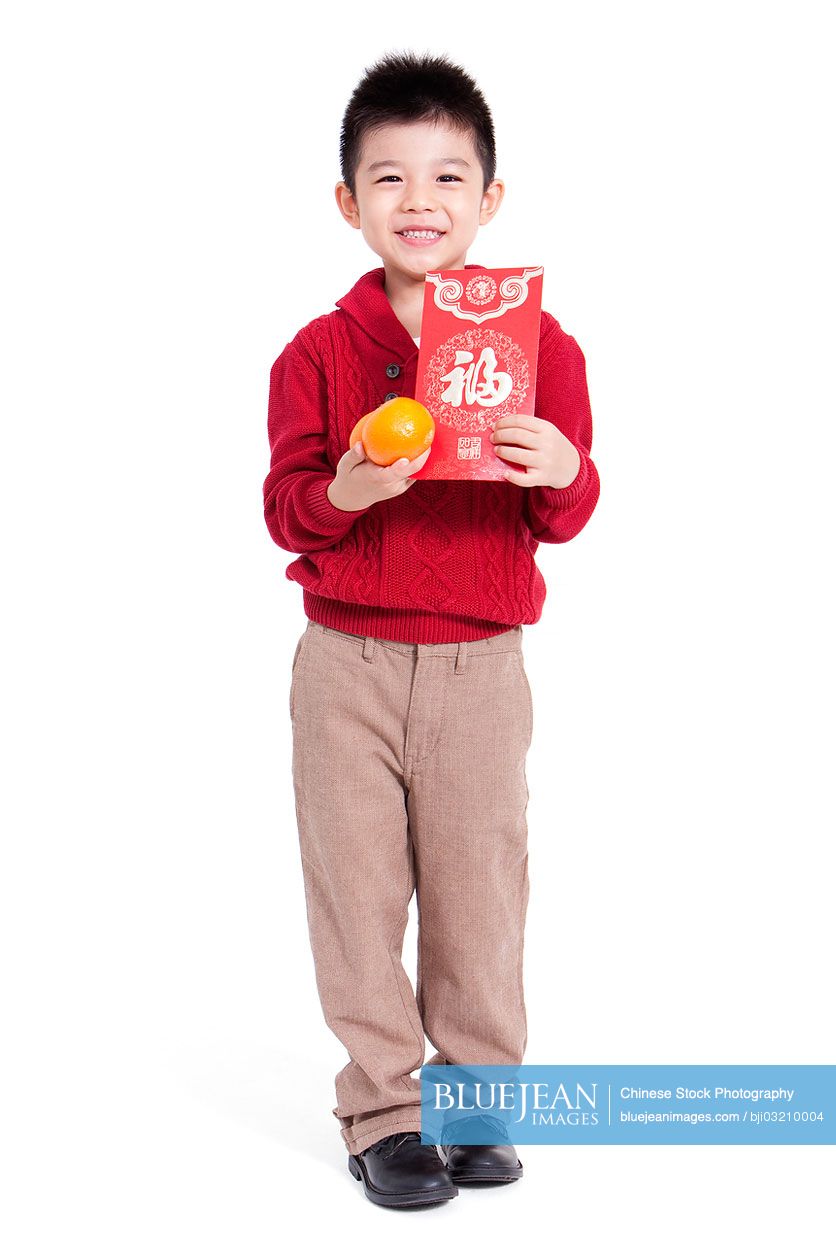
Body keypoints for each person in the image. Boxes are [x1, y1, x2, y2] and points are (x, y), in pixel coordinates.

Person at [262, 51, 600, 1208]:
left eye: (448, 177)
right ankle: (384, 1111)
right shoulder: (316, 353)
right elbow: (288, 510)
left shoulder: (540, 349)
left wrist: (564, 467)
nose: (420, 201)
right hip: (346, 660)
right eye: (389, 178)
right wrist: (356, 483)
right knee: (356, 892)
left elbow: (558, 515)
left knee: (478, 888)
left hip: (479, 663)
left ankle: (475, 1103)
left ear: (487, 200)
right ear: (349, 203)